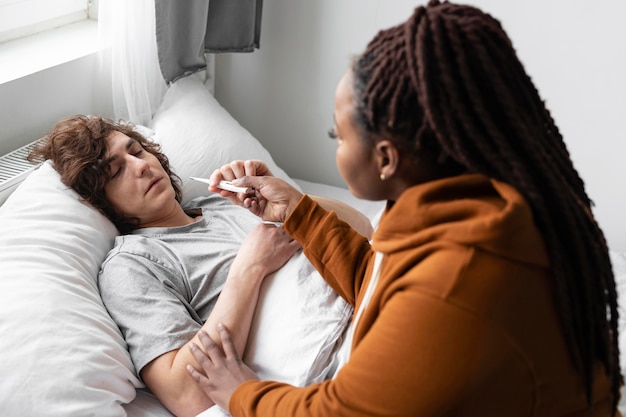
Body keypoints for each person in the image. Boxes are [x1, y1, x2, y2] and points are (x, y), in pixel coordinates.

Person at [185, 1, 622, 416]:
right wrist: (296, 212)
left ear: (387, 158)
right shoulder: (469, 203)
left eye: (336, 135)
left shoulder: (457, 281)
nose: (335, 145)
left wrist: (240, 391)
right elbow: (380, 283)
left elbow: (339, 411)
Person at [28, 115, 373, 417]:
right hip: (344, 359)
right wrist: (249, 268)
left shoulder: (224, 202)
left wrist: (292, 203)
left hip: (373, 295)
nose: (141, 166)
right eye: (117, 172)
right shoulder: (132, 264)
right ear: (104, 203)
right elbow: (185, 393)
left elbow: (362, 229)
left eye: (136, 151)